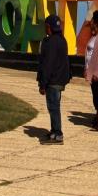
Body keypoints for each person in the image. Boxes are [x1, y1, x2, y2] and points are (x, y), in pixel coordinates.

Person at [36, 14, 70, 144]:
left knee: (53, 107)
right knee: (54, 106)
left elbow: (47, 64)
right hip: (60, 79)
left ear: (49, 27)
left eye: (46, 26)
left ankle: (58, 133)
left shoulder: (50, 42)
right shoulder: (62, 40)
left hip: (53, 80)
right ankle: (54, 131)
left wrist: (42, 83)